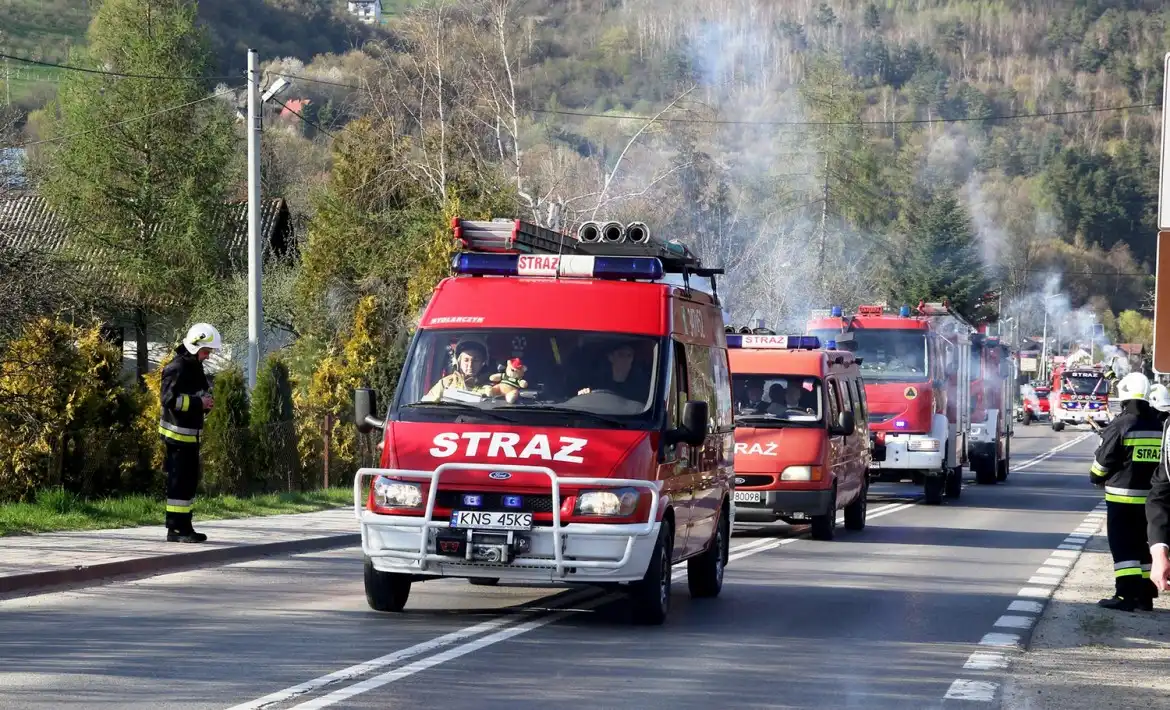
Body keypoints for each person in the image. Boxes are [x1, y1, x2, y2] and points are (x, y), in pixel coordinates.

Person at [1090, 372, 1162, 611]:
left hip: (1122, 498)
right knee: (1144, 546)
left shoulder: (1121, 424)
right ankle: (1145, 596)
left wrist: (1095, 476)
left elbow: (1103, 461)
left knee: (1124, 547)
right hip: (1153, 500)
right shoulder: (1159, 425)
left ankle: (1126, 596)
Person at [159, 323, 220, 543]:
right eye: (206, 351)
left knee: (188, 482)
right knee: (179, 482)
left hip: (190, 435)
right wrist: (197, 402)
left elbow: (197, 393)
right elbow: (167, 400)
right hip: (177, 436)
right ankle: (175, 529)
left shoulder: (194, 367)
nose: (208, 356)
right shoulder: (177, 367)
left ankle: (185, 527)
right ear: (195, 347)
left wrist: (206, 402)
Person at [423, 339, 492, 402]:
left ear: (483, 363)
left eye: (476, 360)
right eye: (466, 360)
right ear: (458, 362)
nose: (470, 365)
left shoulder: (491, 387)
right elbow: (425, 406)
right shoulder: (446, 383)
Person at [577, 342, 648, 401]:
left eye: (629, 355)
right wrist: (583, 396)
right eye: (621, 355)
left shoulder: (640, 385)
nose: (625, 359)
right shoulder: (596, 383)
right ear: (610, 357)